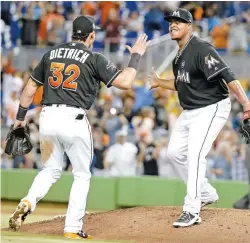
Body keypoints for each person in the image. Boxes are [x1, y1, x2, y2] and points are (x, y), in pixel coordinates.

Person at [9, 15, 149, 239]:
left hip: (47, 117)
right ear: (91, 35)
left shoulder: (51, 54)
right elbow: (125, 83)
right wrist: (135, 57)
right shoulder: (94, 58)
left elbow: (29, 89)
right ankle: (72, 228)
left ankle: (28, 201)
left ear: (73, 33)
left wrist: (20, 118)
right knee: (82, 174)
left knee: (50, 169)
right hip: (73, 117)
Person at [148, 8, 250, 227]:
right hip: (190, 111)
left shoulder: (201, 48)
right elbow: (181, 84)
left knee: (196, 154)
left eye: (179, 21)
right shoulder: (178, 58)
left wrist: (245, 102)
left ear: (190, 26)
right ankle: (205, 192)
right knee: (174, 153)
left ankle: (192, 209)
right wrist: (160, 82)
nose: (173, 24)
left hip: (212, 107)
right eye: (171, 21)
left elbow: (227, 75)